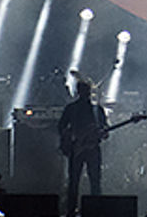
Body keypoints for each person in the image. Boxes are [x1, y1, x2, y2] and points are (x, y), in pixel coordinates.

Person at [58, 77, 109, 217]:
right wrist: (69, 139)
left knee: (93, 180)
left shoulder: (97, 110)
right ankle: (71, 210)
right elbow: (62, 127)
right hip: (77, 148)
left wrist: (102, 133)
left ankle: (95, 210)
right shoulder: (72, 109)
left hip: (92, 148)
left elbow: (105, 130)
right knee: (76, 181)